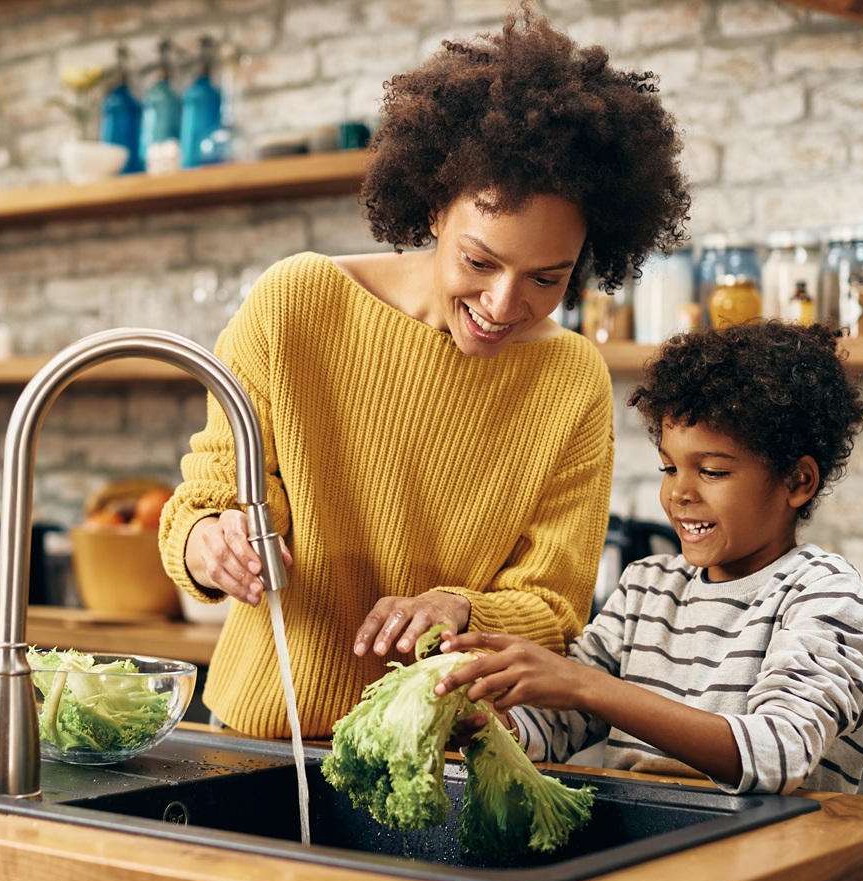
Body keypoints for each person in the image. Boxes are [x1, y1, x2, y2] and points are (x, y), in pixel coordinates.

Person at [158, 5, 691, 740]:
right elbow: (207, 499)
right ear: (436, 206)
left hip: (444, 757)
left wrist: (460, 606)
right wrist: (212, 543)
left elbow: (556, 607)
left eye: (548, 278)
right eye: (480, 261)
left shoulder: (571, 380)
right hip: (261, 740)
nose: (506, 305)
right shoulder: (299, 304)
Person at [435, 320, 863, 794]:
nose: (679, 493)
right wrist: (490, 724)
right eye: (669, 468)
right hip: (653, 852)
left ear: (798, 482)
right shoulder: (646, 588)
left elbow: (778, 754)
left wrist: (582, 684)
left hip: (773, 857)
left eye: (712, 471)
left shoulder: (825, 594)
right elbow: (555, 726)